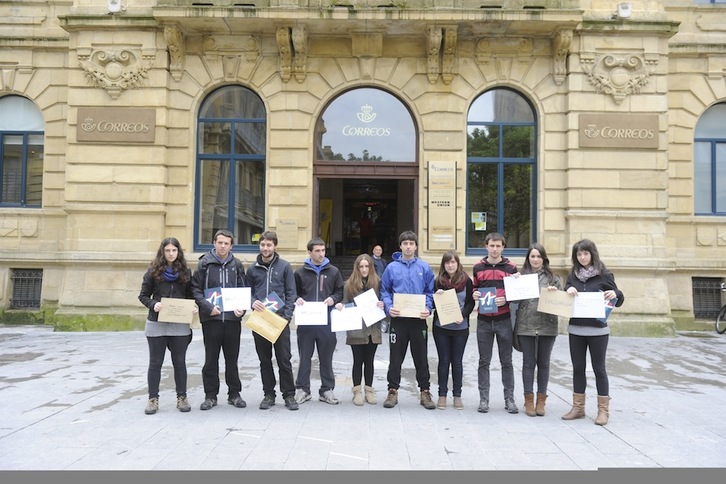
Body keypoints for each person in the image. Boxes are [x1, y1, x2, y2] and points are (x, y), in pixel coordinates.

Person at [561, 239, 624, 426]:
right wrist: (568, 289)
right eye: (579, 254)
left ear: (592, 254)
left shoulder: (604, 275)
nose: (582, 257)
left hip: (598, 331)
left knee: (599, 369)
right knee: (578, 368)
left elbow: (618, 300)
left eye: (585, 253)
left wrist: (616, 294)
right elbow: (566, 297)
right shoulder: (572, 275)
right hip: (576, 330)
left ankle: (603, 411)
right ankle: (578, 408)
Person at [138, 237, 197, 415]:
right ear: (162, 252)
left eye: (174, 250)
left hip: (179, 323)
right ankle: (153, 399)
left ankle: (182, 397)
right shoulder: (153, 271)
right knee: (155, 362)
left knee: (179, 362)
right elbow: (143, 295)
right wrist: (153, 304)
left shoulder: (185, 271)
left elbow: (190, 295)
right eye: (168, 251)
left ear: (178, 252)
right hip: (157, 323)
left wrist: (193, 306)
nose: (171, 254)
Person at [191, 229, 248, 411]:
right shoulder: (204, 264)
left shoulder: (237, 264)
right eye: (220, 242)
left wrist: (242, 309)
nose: (223, 246)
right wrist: (208, 308)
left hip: (232, 320)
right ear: (214, 243)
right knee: (211, 359)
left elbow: (243, 290)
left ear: (231, 245)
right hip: (212, 320)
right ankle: (210, 395)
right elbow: (195, 290)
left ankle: (234, 394)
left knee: (232, 359)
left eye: (226, 243)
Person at [380, 230, 437, 410]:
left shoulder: (424, 267)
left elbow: (430, 292)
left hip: (418, 320)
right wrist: (389, 308)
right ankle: (392, 390)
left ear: (416, 246)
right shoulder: (391, 268)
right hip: (398, 320)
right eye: (405, 243)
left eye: (411, 243)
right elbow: (385, 291)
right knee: (395, 357)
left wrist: (428, 308)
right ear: (400, 246)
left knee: (421, 357)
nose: (408, 246)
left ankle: (425, 391)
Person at [247, 230, 299, 411]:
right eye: (262, 245)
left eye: (269, 245)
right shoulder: (252, 268)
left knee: (284, 359)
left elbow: (291, 293)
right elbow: (248, 292)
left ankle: (289, 395)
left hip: (279, 320)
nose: (265, 248)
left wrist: (287, 316)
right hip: (260, 320)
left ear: (274, 246)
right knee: (265, 360)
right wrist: (253, 302)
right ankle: (268, 394)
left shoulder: (284, 267)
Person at [472, 232, 519, 414]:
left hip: (503, 320)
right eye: (491, 245)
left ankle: (510, 399)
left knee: (506, 361)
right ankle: (484, 399)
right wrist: (474, 294)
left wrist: (506, 298)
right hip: (484, 321)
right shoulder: (477, 267)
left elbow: (516, 293)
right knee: (484, 361)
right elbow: (475, 288)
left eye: (498, 246)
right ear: (486, 246)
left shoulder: (511, 268)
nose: (494, 249)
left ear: (503, 247)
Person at [293, 237, 345, 405]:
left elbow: (340, 292)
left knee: (326, 357)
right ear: (310, 252)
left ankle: (326, 390)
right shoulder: (300, 273)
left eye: (323, 250)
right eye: (317, 251)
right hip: (306, 322)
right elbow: (293, 292)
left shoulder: (333, 271)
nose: (321, 254)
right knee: (305, 357)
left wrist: (333, 299)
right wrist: (297, 298)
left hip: (327, 321)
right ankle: (303, 389)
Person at [514, 243, 562, 417]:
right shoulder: (520, 277)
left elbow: (562, 303)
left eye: (538, 256)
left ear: (544, 259)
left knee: (544, 363)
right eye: (532, 256)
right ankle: (528, 400)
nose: (535, 259)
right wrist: (514, 282)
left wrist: (554, 292)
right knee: (528, 363)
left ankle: (541, 401)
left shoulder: (553, 278)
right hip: (526, 325)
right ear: (528, 258)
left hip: (547, 325)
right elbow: (512, 300)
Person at [335, 254, 385, 406]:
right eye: (361, 266)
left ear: (371, 267)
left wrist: (383, 304)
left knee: (369, 361)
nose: (364, 269)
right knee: (358, 361)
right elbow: (344, 302)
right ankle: (357, 391)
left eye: (366, 266)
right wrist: (340, 306)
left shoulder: (378, 283)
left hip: (372, 329)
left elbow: (385, 300)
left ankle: (369, 390)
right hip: (356, 329)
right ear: (357, 268)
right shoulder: (349, 285)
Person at [432, 251, 475, 410]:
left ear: (458, 264)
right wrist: (437, 296)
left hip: (460, 328)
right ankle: (442, 395)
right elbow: (433, 305)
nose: (450, 265)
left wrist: (463, 315)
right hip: (441, 328)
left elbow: (470, 303)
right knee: (443, 361)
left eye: (453, 262)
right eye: (447, 263)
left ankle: (457, 395)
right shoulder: (438, 282)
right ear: (443, 265)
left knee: (457, 362)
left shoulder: (466, 281)